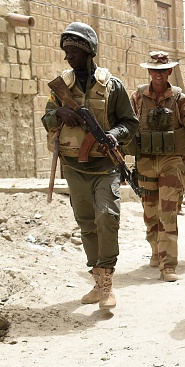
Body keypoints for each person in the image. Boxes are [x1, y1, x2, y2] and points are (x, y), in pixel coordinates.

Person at [42, 22, 139, 309]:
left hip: (104, 165)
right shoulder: (62, 86)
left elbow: (130, 123)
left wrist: (114, 134)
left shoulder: (113, 86)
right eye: (66, 51)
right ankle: (97, 281)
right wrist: (59, 112)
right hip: (73, 165)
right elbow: (46, 118)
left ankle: (108, 282)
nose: (67, 57)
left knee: (107, 217)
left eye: (73, 51)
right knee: (86, 222)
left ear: (88, 51)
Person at [130, 51, 185, 282]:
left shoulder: (179, 98)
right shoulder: (137, 97)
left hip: (171, 162)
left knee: (168, 213)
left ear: (169, 71)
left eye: (163, 70)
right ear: (148, 71)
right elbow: (128, 128)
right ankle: (155, 250)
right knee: (150, 213)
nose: (158, 74)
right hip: (145, 161)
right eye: (154, 70)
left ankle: (168, 265)